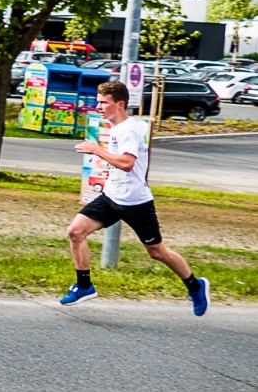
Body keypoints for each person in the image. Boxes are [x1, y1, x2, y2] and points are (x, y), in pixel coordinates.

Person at [62, 81, 209, 315]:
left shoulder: (129, 129)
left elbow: (128, 164)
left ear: (119, 104)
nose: (98, 106)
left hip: (135, 202)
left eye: (103, 102)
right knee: (75, 232)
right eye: (98, 101)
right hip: (111, 197)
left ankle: (195, 285)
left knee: (157, 252)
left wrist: (97, 150)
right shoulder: (116, 127)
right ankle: (84, 286)